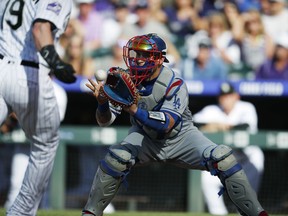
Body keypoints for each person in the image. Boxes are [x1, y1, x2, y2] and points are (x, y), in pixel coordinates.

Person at [82, 33, 268, 216]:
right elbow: (104, 122)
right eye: (136, 54)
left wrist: (133, 109)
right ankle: (90, 213)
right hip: (143, 137)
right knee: (116, 157)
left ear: (158, 59)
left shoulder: (174, 82)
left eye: (144, 55)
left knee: (223, 158)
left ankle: (257, 213)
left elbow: (166, 124)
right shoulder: (124, 79)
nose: (138, 59)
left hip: (181, 137)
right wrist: (102, 103)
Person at [0, 0, 76, 215]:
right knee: (45, 145)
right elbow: (40, 27)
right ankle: (20, 212)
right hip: (29, 73)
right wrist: (56, 61)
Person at [193, 82, 265, 215]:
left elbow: (245, 127)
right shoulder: (212, 110)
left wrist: (219, 127)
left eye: (229, 96)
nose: (225, 99)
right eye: (223, 96)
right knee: (206, 178)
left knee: (247, 198)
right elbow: (194, 123)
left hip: (247, 160)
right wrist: (212, 124)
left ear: (236, 96)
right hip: (223, 162)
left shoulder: (246, 108)